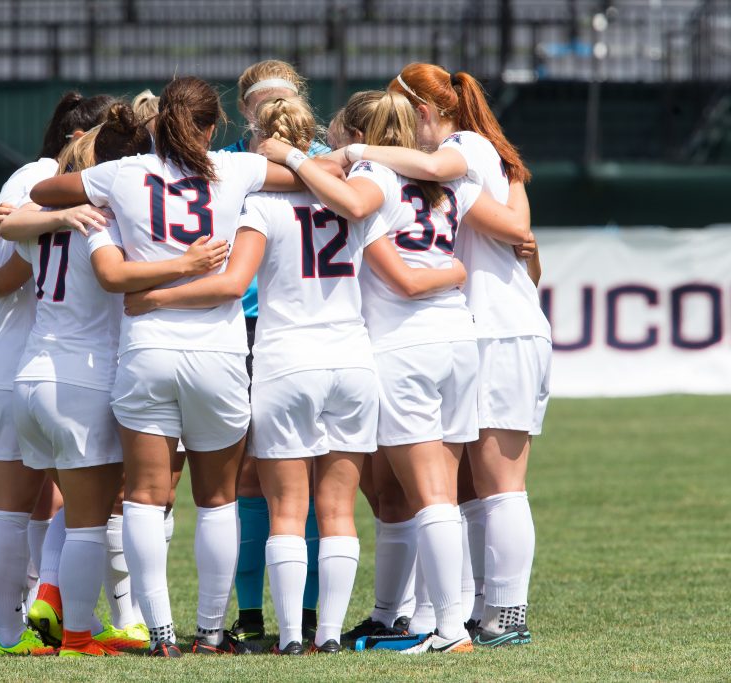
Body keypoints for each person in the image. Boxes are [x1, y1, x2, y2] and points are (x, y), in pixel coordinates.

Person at [123, 95, 466, 655]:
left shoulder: (258, 205)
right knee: (336, 512)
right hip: (351, 360)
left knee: (286, 509)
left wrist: (152, 296)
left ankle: (286, 638)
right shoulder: (361, 202)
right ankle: (327, 636)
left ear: (263, 142)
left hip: (286, 361)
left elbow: (234, 283)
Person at [29, 75, 342, 658]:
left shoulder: (124, 174)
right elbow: (306, 182)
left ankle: (162, 634)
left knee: (146, 496)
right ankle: (211, 632)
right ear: (210, 126)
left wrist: (87, 206)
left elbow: (49, 191)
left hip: (146, 347)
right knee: (218, 499)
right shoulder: (232, 168)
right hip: (218, 353)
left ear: (157, 124)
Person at [259, 89, 530, 655]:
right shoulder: (451, 181)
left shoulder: (375, 179)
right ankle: (431, 619)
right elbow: (515, 232)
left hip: (402, 345)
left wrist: (291, 156)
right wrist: (453, 270)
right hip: (458, 341)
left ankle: (449, 630)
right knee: (443, 493)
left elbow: (355, 209)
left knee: (430, 495)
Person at [345, 63, 551, 646]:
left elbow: (493, 211)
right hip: (489, 328)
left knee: (500, 484)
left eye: (404, 115)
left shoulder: (462, 148)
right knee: (468, 489)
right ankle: (474, 612)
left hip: (495, 330)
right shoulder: (477, 163)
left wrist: (361, 150)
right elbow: (521, 237)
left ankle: (505, 615)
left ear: (428, 112)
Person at [0, 91, 117, 656]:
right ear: (82, 139)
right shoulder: (40, 176)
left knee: (44, 502)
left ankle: (39, 618)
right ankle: (16, 629)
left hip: (20, 363)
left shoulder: (65, 187)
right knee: (25, 502)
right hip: (21, 361)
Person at [220, 57, 330, 647]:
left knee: (307, 476)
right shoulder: (233, 164)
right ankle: (252, 614)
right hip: (248, 325)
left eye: (279, 100)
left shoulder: (329, 161)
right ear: (244, 109)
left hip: (308, 329)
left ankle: (310, 616)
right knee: (249, 476)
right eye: (259, 103)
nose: (269, 110)